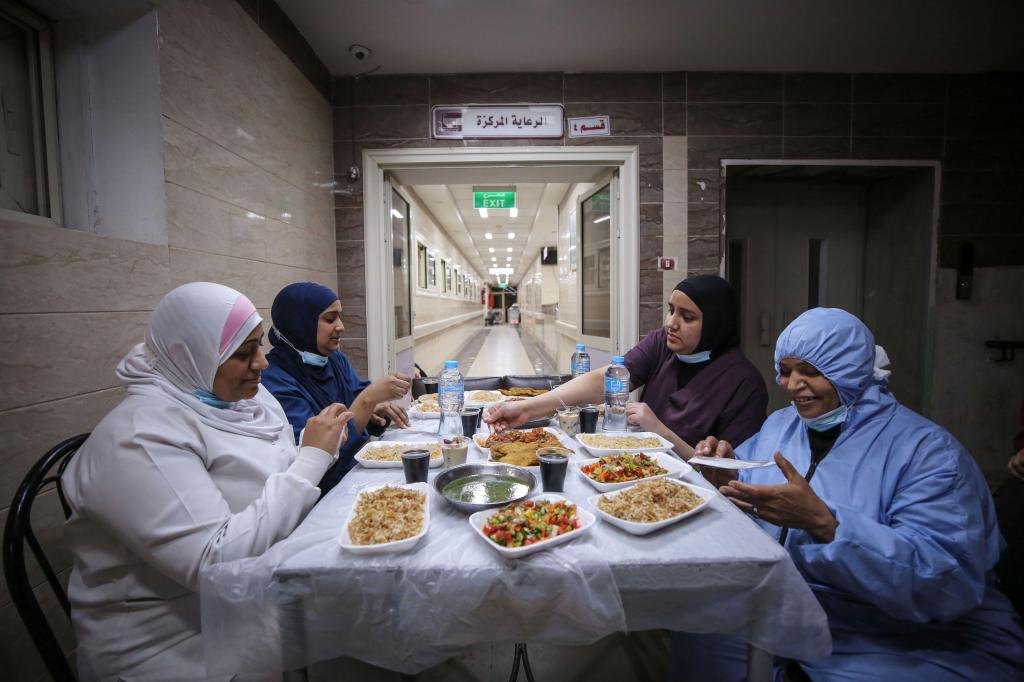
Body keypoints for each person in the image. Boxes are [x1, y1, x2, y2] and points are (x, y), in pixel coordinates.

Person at [682, 308, 1024, 680]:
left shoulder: (927, 454)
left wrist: (828, 525)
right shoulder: (781, 427)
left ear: (848, 371)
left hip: (901, 629)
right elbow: (752, 504)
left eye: (810, 372)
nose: (792, 384)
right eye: (785, 370)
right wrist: (724, 475)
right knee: (697, 638)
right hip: (791, 604)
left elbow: (947, 584)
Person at [62, 282, 352, 681]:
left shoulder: (240, 399)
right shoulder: (139, 437)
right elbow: (215, 566)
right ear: (192, 355)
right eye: (243, 353)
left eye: (258, 346)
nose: (262, 364)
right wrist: (312, 458)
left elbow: (276, 468)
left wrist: (317, 442)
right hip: (176, 646)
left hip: (259, 600)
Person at [485, 275, 767, 459]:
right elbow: (602, 381)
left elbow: (729, 477)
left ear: (716, 323)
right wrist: (526, 408)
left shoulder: (744, 384)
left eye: (687, 317)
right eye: (671, 310)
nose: (671, 323)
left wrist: (659, 430)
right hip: (638, 465)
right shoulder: (662, 344)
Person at [261, 282, 412, 493]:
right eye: (330, 319)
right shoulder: (276, 381)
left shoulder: (333, 359)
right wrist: (368, 400)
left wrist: (373, 412)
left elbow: (356, 404)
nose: (340, 326)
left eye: (340, 317)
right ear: (301, 323)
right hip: (320, 495)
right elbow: (312, 457)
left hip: (354, 475)